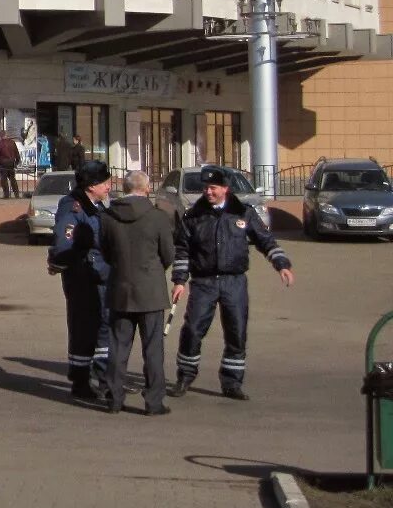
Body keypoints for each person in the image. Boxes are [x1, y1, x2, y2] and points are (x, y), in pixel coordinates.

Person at [170, 164, 295, 400]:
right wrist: (179, 281)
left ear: (225, 189)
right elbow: (182, 251)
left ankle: (232, 383)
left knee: (236, 332)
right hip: (203, 282)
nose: (208, 192)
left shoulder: (243, 213)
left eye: (213, 188)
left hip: (234, 282)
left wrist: (282, 265)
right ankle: (184, 376)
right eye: (206, 188)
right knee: (193, 329)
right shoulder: (193, 216)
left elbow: (265, 240)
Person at [97, 170, 176, 415]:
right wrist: (152, 271)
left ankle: (114, 399)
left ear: (124, 186)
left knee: (118, 347)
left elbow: (106, 252)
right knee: (153, 348)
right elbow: (168, 254)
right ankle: (153, 402)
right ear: (147, 188)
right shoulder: (158, 217)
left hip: (120, 288)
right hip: (151, 290)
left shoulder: (108, 217)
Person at [48, 158, 112, 400]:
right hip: (83, 279)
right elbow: (64, 243)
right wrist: (59, 263)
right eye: (105, 182)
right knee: (83, 330)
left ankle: (105, 379)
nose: (109, 186)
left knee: (105, 328)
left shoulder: (99, 206)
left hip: (103, 277)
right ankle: (80, 382)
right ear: (92, 185)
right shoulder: (72, 207)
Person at [0, 131, 21, 198]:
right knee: (13, 179)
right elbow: (17, 154)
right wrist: (16, 163)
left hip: (2, 164)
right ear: (6, 135)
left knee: (4, 180)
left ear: (0, 136)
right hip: (11, 163)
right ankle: (16, 194)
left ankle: (6, 195)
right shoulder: (12, 143)